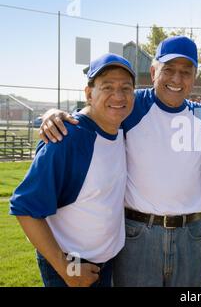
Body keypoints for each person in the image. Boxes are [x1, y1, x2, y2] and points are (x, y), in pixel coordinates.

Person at [38, 36, 201, 287]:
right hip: (138, 232)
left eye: (185, 72)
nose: (176, 79)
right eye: (168, 70)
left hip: (190, 234)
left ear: (195, 76)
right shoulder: (131, 104)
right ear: (154, 71)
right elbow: (94, 112)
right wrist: (53, 114)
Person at [9, 53, 136, 287]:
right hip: (70, 265)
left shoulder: (121, 127)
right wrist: (67, 268)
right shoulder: (67, 137)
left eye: (126, 88)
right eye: (107, 87)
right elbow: (24, 207)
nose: (118, 96)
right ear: (89, 93)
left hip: (106, 264)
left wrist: (50, 112)